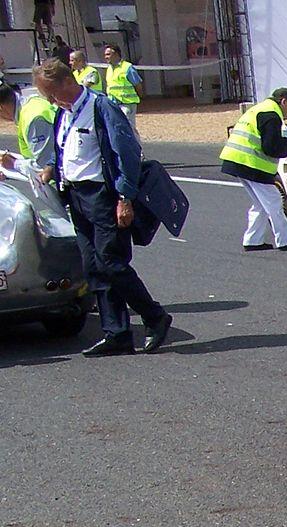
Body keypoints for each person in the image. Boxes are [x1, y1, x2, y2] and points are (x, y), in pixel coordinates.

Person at [32, 59, 171, 355]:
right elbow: (63, 148)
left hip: (102, 196)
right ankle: (116, 332)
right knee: (93, 266)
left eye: (52, 93)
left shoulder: (101, 107)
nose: (51, 100)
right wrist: (51, 168)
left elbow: (126, 152)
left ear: (68, 82)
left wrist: (125, 197)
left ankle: (155, 316)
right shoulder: (63, 113)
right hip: (76, 195)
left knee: (111, 262)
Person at [218, 86, 287, 250]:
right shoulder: (271, 115)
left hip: (238, 160)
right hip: (251, 164)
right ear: (284, 101)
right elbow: (270, 147)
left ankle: (252, 241)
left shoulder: (260, 109)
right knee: (274, 202)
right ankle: (285, 241)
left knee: (261, 204)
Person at [0, 81, 59, 176]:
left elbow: (46, 167)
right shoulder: (32, 103)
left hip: (58, 182)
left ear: (1, 107)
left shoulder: (33, 119)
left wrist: (14, 164)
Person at [102, 44, 141, 134]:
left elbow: (137, 85)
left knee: (129, 128)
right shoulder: (109, 69)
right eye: (105, 55)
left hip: (126, 104)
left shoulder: (127, 68)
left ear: (116, 54)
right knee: (117, 128)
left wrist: (138, 98)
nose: (106, 57)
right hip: (113, 104)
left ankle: (135, 143)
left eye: (108, 54)